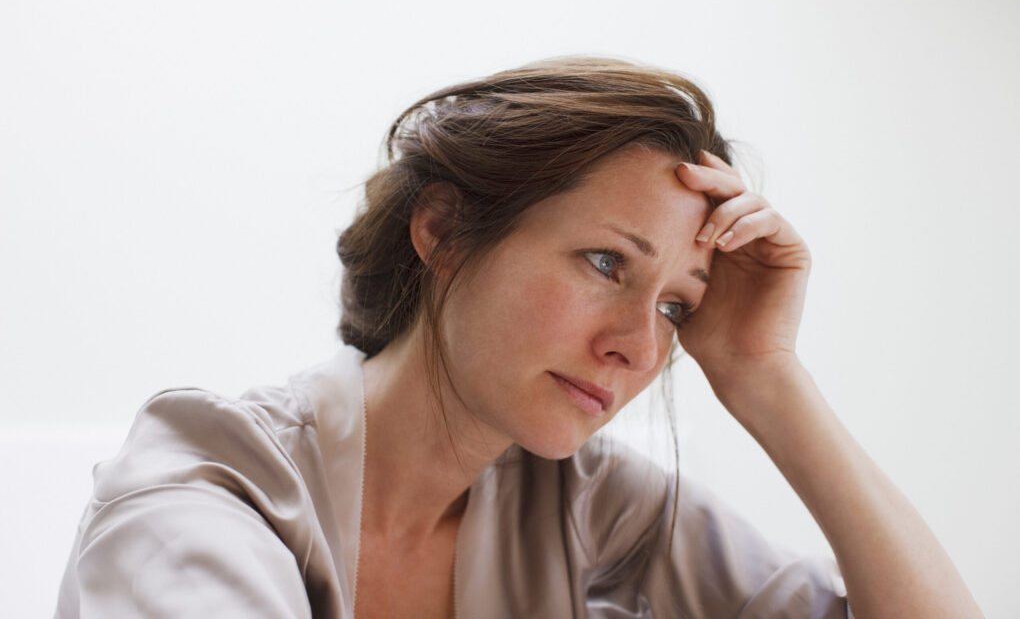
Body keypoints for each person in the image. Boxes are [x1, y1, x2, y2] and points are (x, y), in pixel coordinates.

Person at [54, 57, 983, 618]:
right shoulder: (208, 478)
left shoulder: (592, 505)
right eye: (607, 264)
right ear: (444, 231)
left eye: (675, 307)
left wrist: (764, 374)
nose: (639, 347)